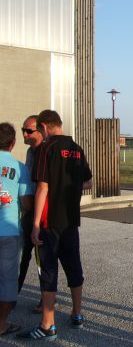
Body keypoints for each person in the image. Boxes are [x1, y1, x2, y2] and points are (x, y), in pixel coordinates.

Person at [17, 110, 92, 341]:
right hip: (71, 220)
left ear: (45, 128)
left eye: (38, 130)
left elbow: (42, 188)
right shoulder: (77, 149)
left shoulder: (46, 149)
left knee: (48, 270)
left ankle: (48, 324)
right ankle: (77, 314)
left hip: (50, 222)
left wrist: (36, 223)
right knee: (74, 267)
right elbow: (87, 181)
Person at [0, 123, 33, 336]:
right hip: (9, 230)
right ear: (12, 144)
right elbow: (27, 203)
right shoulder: (20, 168)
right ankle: (1, 323)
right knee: (8, 278)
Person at [17, 115, 44, 313]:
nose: (25, 134)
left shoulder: (46, 152)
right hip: (29, 208)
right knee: (24, 253)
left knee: (43, 256)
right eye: (23, 130)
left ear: (40, 130)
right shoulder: (29, 151)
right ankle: (11, 295)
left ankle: (46, 297)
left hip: (43, 211)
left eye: (28, 131)